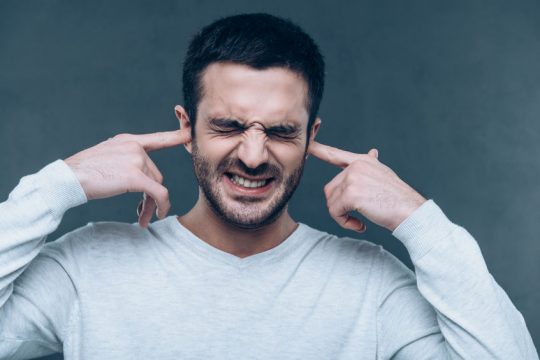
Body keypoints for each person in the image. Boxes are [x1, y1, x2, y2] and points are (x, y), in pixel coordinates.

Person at [0, 12, 537, 360]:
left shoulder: (371, 288)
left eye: (280, 131)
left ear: (311, 137)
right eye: (228, 126)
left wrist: (418, 219)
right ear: (186, 129)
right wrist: (59, 184)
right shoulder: (89, 267)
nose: (253, 156)